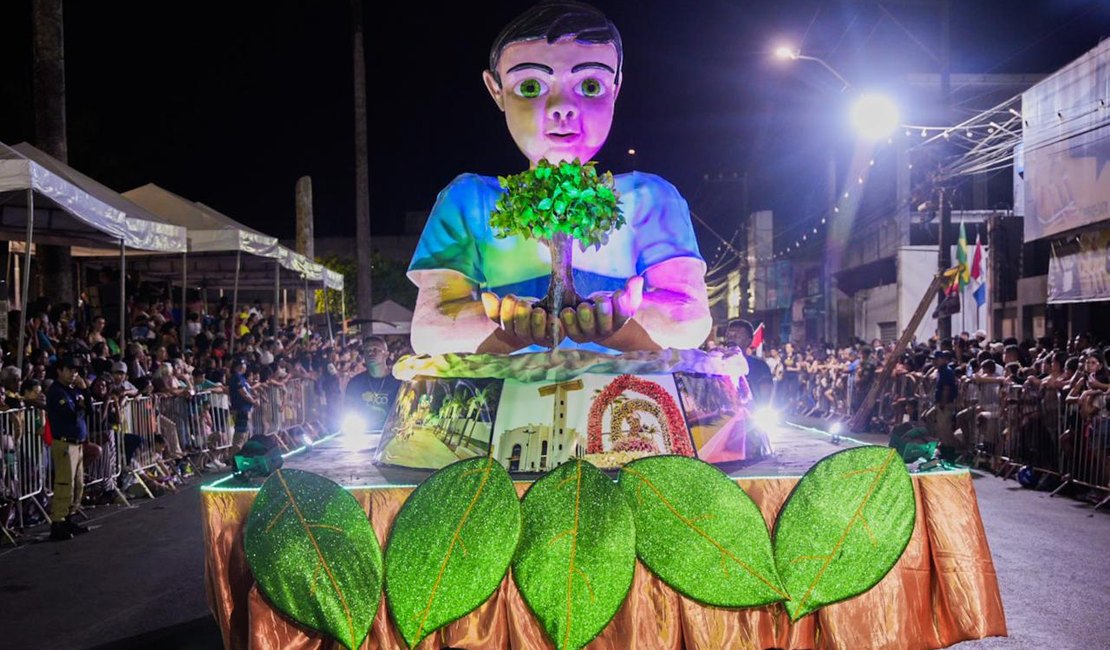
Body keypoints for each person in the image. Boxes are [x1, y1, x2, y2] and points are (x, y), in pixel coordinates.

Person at [408, 0, 711, 356]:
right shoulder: (469, 202)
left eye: (591, 86)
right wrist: (513, 325)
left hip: (625, 404)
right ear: (496, 90)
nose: (561, 107)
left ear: (615, 88)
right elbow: (431, 328)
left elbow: (689, 320)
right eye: (531, 87)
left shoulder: (650, 198)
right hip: (512, 404)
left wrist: (613, 319)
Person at [45, 356, 90, 541]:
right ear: (59, 371)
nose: (74, 374)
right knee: (65, 484)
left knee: (78, 484)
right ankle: (58, 522)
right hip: (64, 443)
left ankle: (69, 517)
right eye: (70, 370)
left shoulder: (73, 390)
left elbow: (89, 409)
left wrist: (85, 391)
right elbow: (69, 414)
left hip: (77, 442)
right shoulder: (56, 392)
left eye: (76, 371)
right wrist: (80, 405)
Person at [344, 337, 402, 432]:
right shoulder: (355, 383)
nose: (371, 353)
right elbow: (348, 409)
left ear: (386, 354)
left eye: (376, 350)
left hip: (391, 434)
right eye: (367, 351)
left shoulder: (398, 381)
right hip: (362, 434)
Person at [725, 319, 772, 405]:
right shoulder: (716, 363)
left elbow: (766, 395)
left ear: (749, 341)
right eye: (729, 336)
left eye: (737, 336)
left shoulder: (759, 366)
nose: (731, 340)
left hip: (751, 414)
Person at [227, 358, 257, 457]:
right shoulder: (237, 378)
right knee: (240, 436)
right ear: (240, 366)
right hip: (241, 410)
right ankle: (235, 458)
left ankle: (241, 457)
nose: (246, 367)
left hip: (244, 410)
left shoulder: (241, 378)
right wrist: (253, 401)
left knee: (244, 436)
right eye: (245, 365)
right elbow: (243, 393)